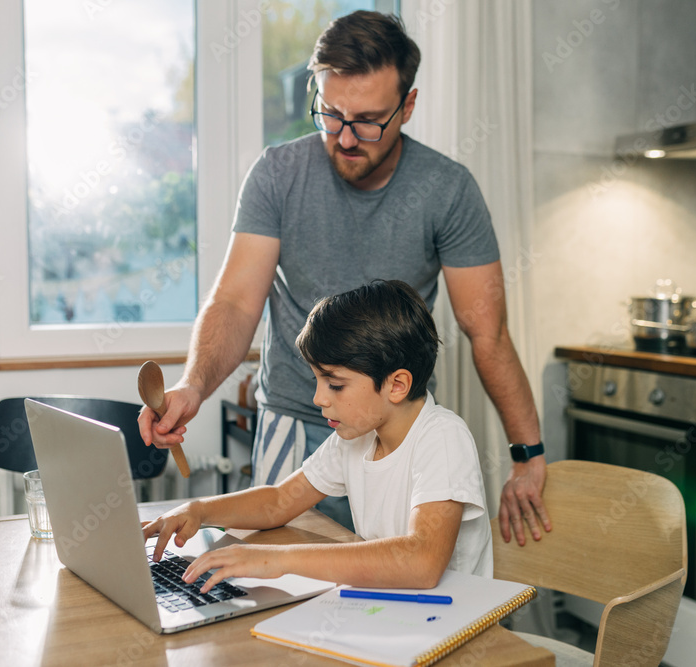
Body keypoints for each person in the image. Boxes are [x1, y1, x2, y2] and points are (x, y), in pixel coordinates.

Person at [137, 10, 550, 546]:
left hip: (396, 426)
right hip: (294, 417)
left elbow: (487, 332)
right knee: (282, 595)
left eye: (368, 120)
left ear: (408, 107)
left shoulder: (448, 190)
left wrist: (528, 454)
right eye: (331, 114)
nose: (347, 138)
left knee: (391, 588)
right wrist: (193, 386)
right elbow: (237, 303)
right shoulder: (278, 174)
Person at [142, 280, 493, 591]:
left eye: (335, 385)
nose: (319, 399)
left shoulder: (443, 438)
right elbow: (278, 502)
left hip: (454, 627)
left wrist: (279, 559)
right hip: (392, 610)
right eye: (318, 381)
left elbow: (421, 562)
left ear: (397, 385)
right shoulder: (356, 439)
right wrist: (199, 510)